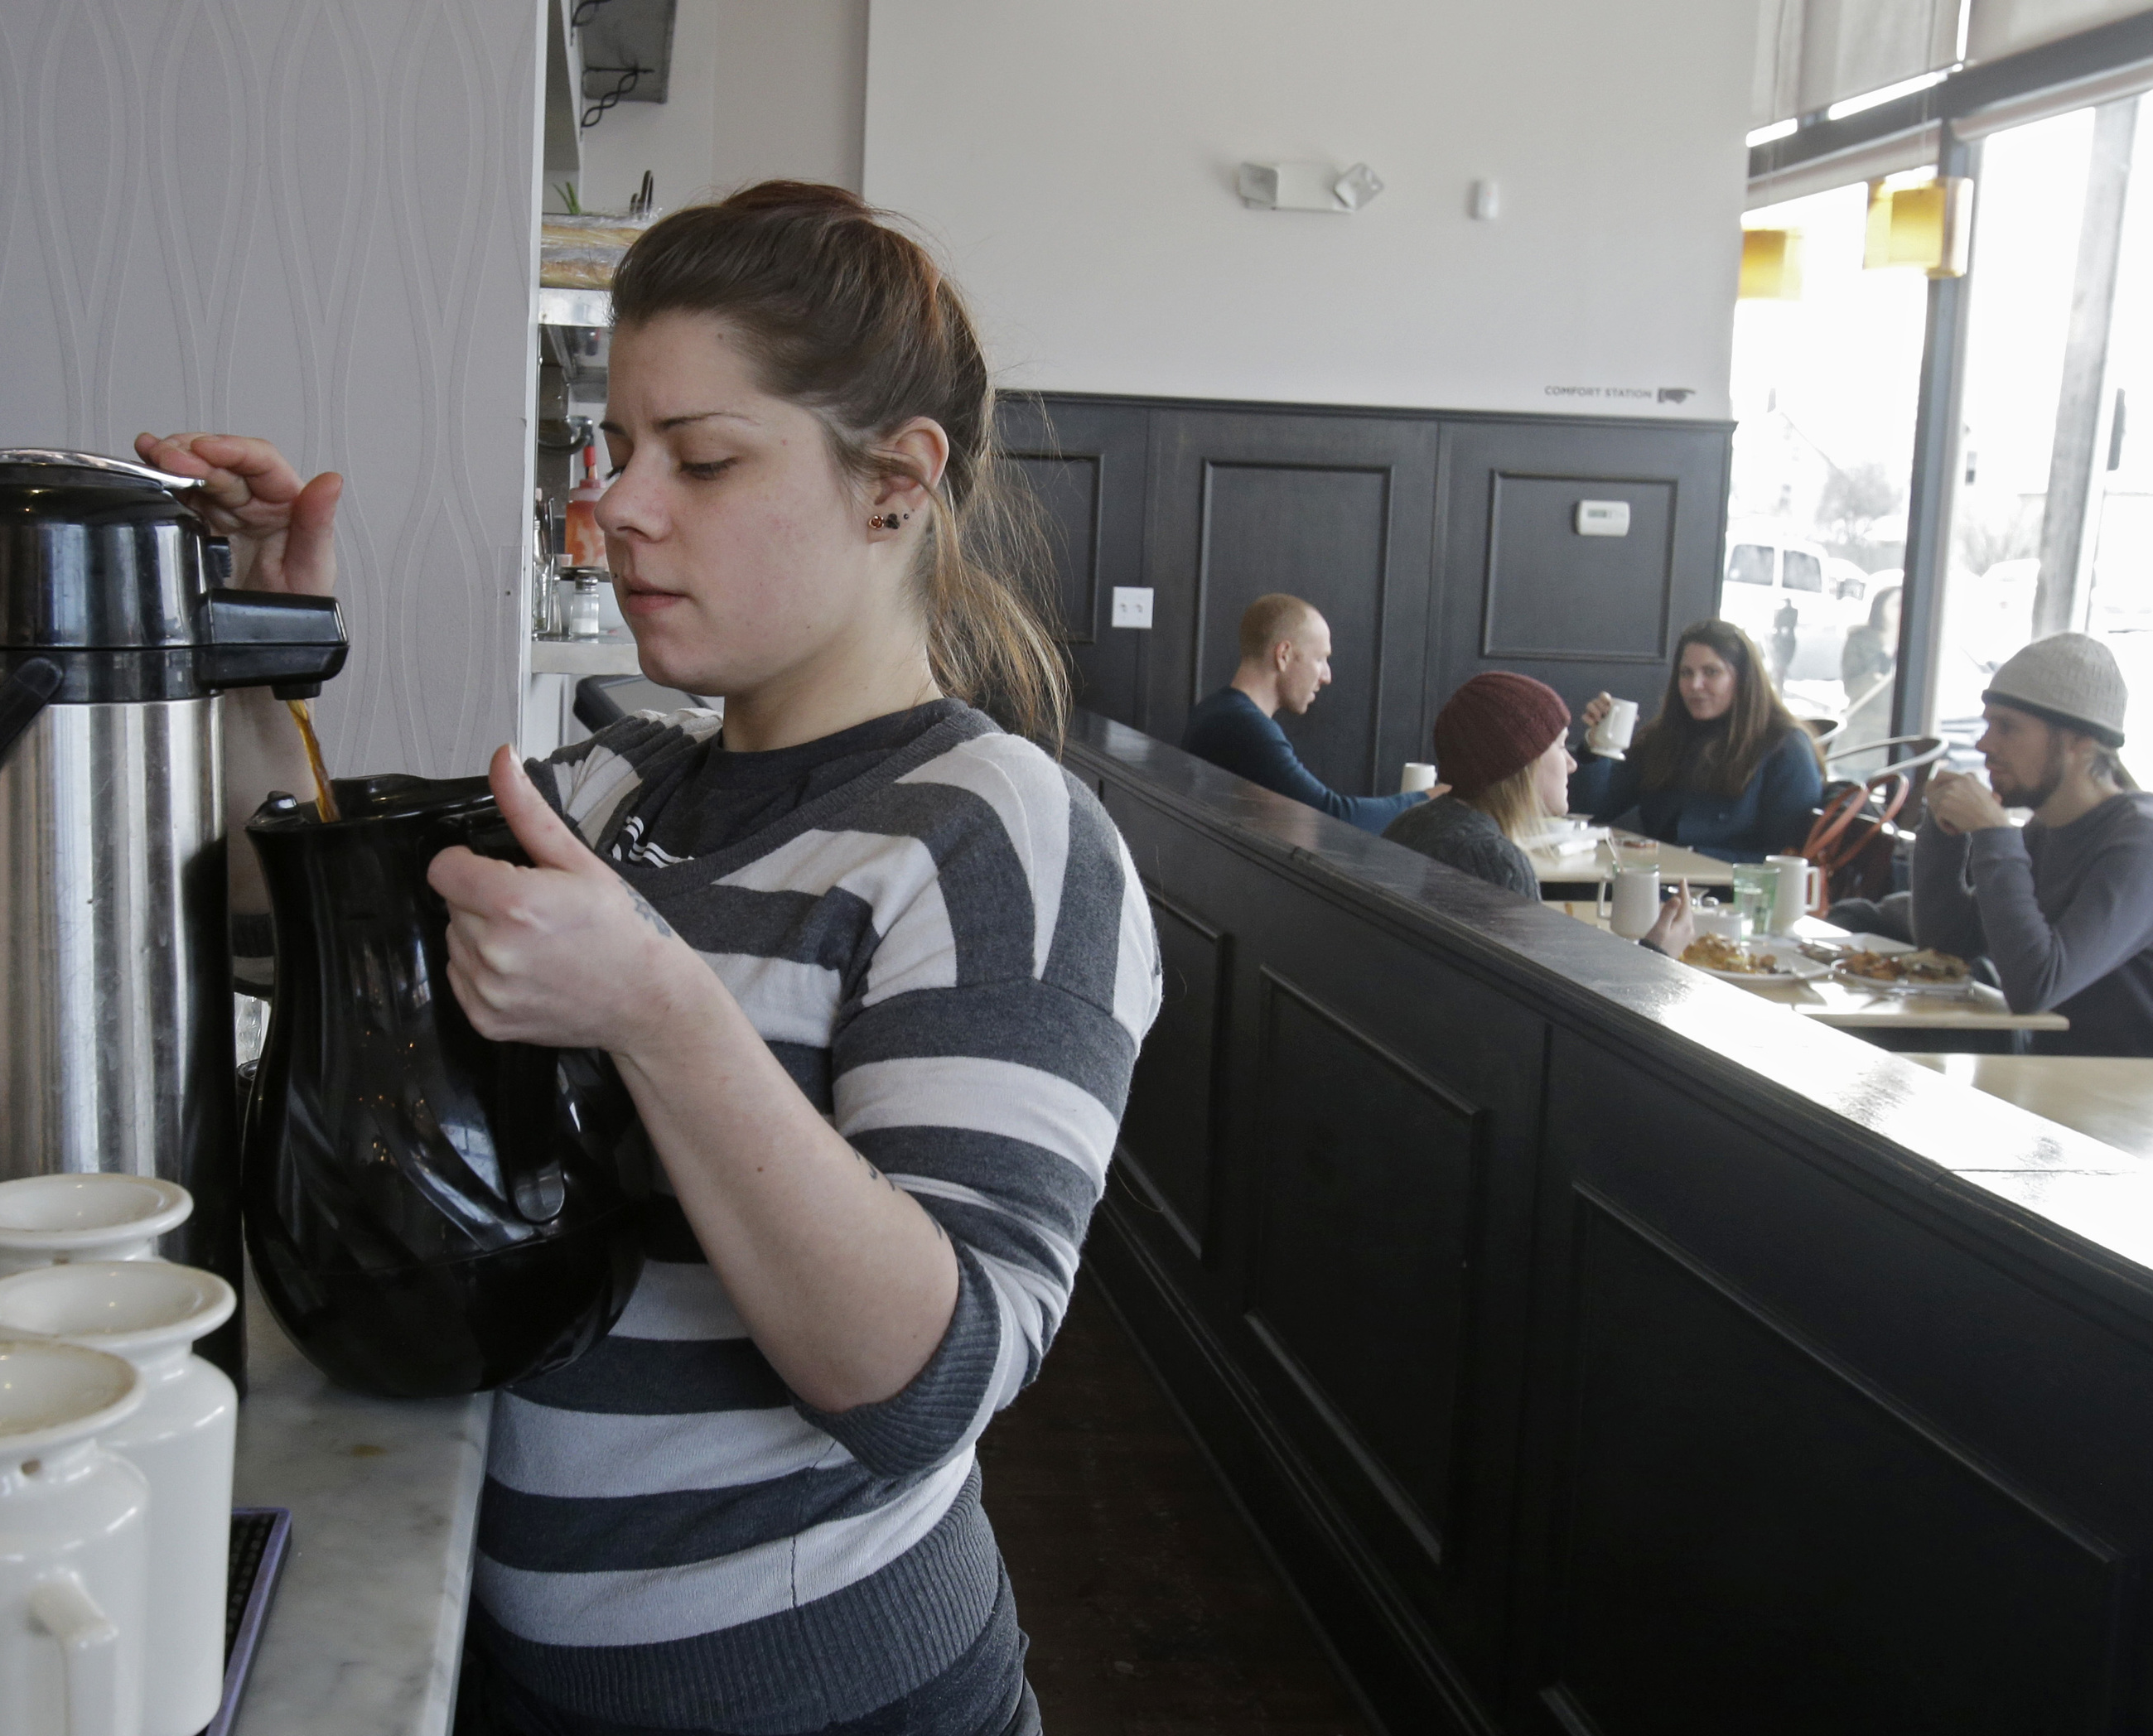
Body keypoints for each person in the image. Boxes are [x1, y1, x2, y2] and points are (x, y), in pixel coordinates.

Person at [138, 183, 1160, 1735]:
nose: (616, 506)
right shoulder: (619, 781)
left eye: (703, 458)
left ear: (895, 485)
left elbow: (929, 1381)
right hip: (523, 1665)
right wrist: (253, 648)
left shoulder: (997, 839)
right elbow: (277, 934)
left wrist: (658, 1011)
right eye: (617, 452)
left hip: (821, 1704)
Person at [1914, 633, 2153, 1056]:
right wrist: (1942, 833)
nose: (1984, 744)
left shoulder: (2140, 841)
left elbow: (2037, 986)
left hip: (2127, 1102)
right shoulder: (2046, 829)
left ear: (2082, 741)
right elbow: (1947, 947)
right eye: (1988, 725)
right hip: (2060, 1080)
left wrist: (1995, 836)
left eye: (2007, 727)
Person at [1385, 670, 1694, 953]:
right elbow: (1538, 1006)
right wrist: (1656, 952)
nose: (1572, 764)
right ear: (1523, 763)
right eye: (1560, 747)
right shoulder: (1493, 861)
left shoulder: (1413, 822)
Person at [1180, 594, 1444, 832]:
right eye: (1320, 659)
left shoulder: (1217, 710)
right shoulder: (1242, 725)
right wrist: (1430, 798)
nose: (1327, 676)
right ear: (1283, 655)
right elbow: (1332, 818)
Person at [1570, 620, 1826, 862]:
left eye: (1711, 672)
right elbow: (1590, 810)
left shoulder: (1785, 746)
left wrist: (1691, 857)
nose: (1695, 685)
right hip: (1657, 884)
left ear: (1743, 679)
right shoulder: (1666, 736)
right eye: (1686, 673)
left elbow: (1786, 857)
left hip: (1731, 896)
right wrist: (1600, 743)